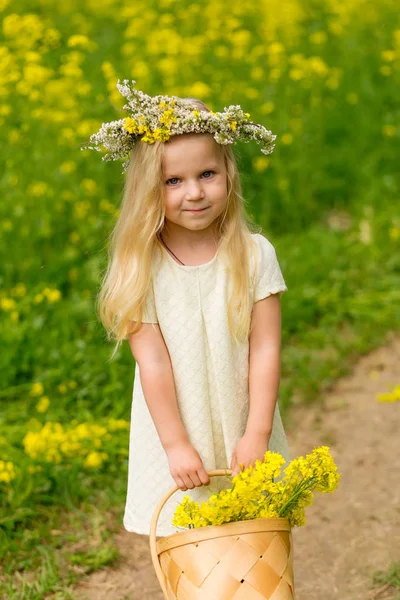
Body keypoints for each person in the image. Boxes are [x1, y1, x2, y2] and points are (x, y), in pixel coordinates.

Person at [82, 80, 292, 537]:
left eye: (207, 175)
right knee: (191, 543)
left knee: (259, 540)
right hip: (179, 425)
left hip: (244, 417)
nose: (193, 192)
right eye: (173, 181)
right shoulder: (141, 266)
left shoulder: (255, 254)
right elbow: (152, 362)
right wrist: (177, 445)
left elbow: (266, 349)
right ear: (147, 189)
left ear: (228, 173)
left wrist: (256, 433)